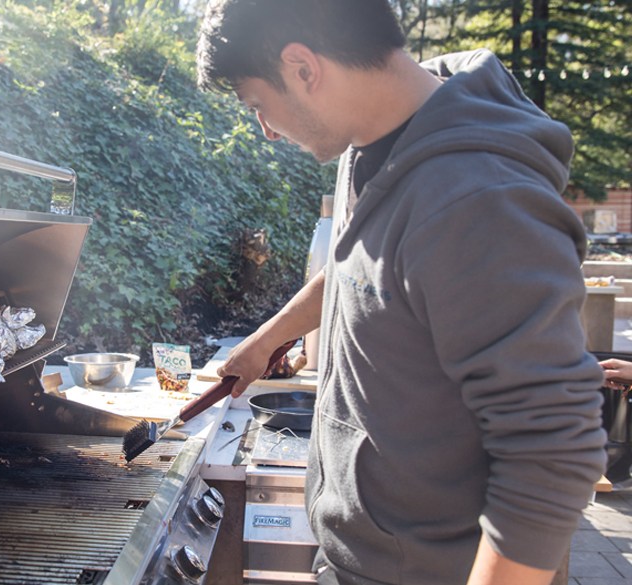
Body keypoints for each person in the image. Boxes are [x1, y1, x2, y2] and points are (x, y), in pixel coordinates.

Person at [195, 1, 608, 584]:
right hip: (358, 556)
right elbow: (359, 266)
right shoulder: (376, 136)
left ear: (303, 68)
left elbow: (552, 454)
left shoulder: (478, 199)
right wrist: (267, 340)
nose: (265, 129)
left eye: (259, 105)